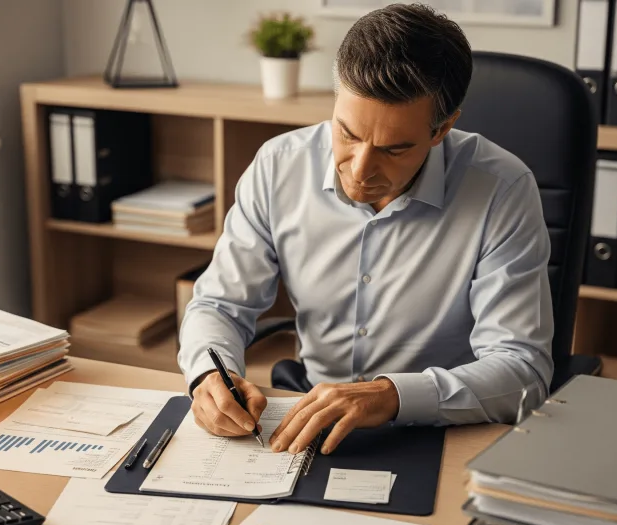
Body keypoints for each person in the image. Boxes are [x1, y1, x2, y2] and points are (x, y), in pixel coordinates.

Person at [177, 3, 553, 456]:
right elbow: (220, 303)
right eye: (348, 134)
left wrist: (391, 395)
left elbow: (521, 369)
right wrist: (207, 374)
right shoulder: (279, 166)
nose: (360, 170)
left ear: (443, 129)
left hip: (445, 433)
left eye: (394, 150)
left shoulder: (502, 190)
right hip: (307, 425)